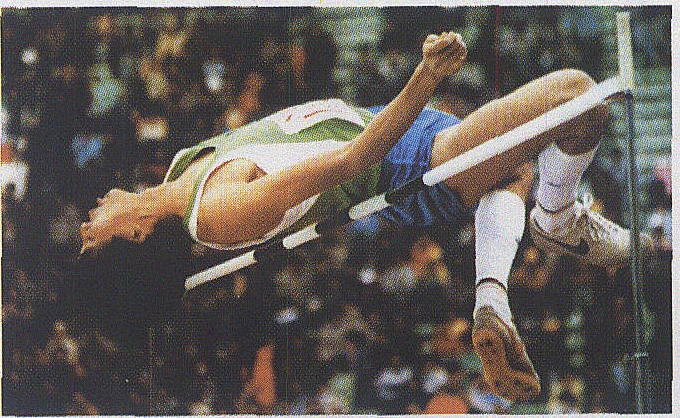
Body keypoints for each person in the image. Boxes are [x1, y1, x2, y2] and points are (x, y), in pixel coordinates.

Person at [80, 32, 643, 401]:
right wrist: (426, 78)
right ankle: (556, 219)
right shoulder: (218, 214)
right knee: (578, 99)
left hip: (378, 125)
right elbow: (354, 161)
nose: (87, 222)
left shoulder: (175, 179)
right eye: (93, 237)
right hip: (401, 165)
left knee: (515, 170)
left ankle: (499, 288)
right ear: (135, 237)